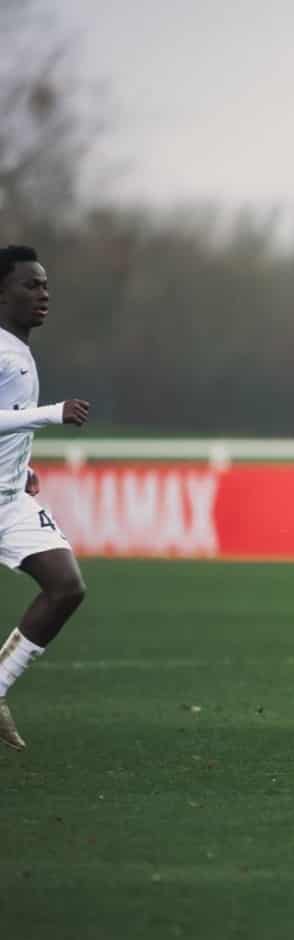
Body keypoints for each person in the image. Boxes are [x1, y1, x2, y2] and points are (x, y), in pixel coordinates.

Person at [0, 245, 92, 751]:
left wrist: (22, 466)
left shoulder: (17, 350)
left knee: (66, 586)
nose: (43, 294)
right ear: (0, 292)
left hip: (9, 498)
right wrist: (52, 414)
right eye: (30, 285)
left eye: (46, 286)